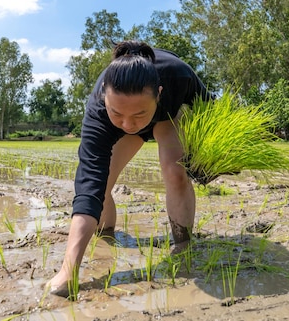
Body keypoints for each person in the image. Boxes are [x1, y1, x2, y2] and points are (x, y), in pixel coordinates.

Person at [47, 40, 211, 296]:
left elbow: (212, 111)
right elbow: (89, 186)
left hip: (168, 116)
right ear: (104, 93)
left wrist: (205, 158)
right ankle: (106, 236)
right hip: (130, 117)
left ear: (159, 92)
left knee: (175, 171)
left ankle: (183, 246)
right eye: (117, 113)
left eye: (137, 115)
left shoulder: (178, 74)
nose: (127, 123)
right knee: (102, 189)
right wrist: (69, 270)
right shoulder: (98, 112)